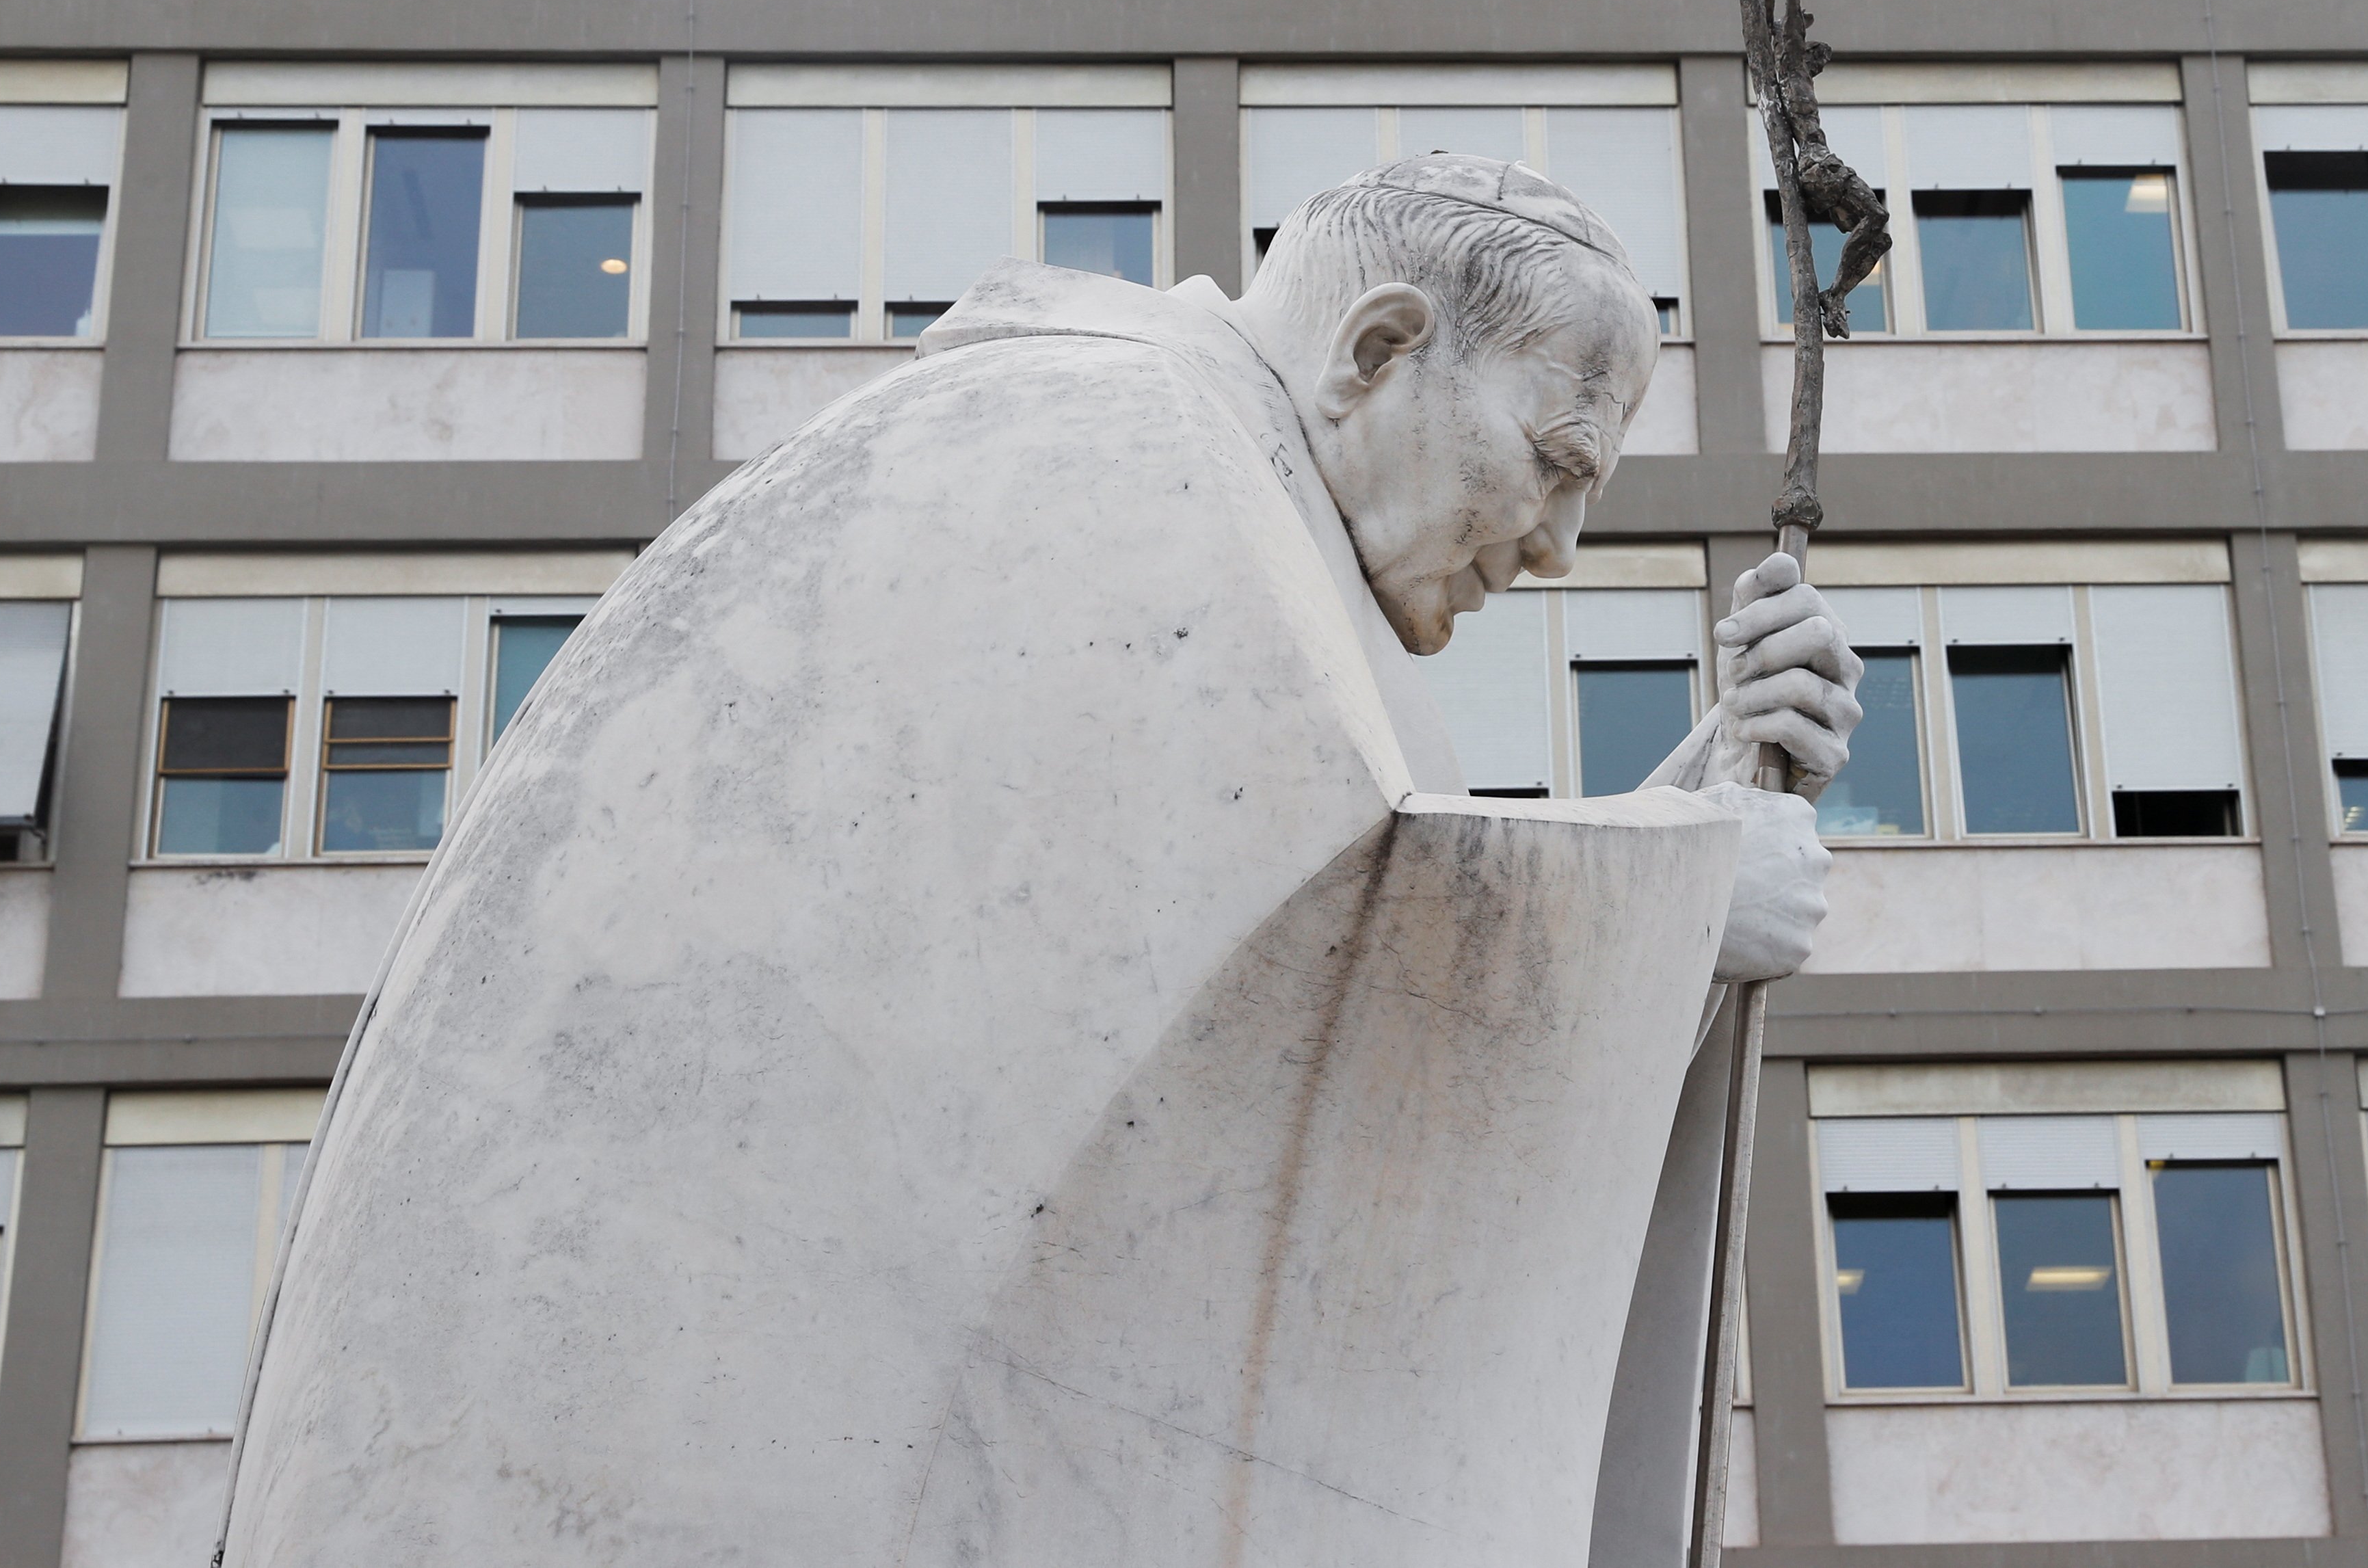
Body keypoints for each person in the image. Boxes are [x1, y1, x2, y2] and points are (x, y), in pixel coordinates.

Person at [220, 153, 1862, 1568]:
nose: (1560, 545)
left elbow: (1249, 1010)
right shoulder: (1112, 457)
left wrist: (1688, 820)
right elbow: (1301, 959)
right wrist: (1678, 899)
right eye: (1558, 461)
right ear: (1379, 348)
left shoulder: (1221, 492)